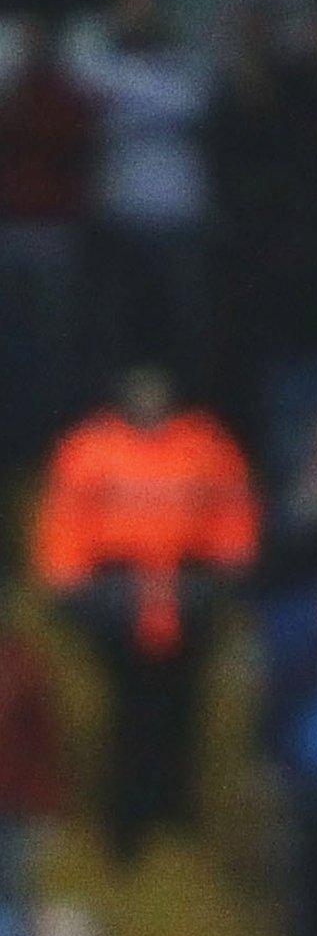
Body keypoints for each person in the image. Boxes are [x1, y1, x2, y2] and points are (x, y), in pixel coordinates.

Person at [29, 363, 260, 860]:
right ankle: (123, 825)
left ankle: (184, 819)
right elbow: (62, 551)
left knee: (185, 708)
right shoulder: (88, 448)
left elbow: (234, 536)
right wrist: (96, 597)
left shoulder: (205, 443)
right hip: (110, 598)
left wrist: (198, 588)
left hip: (188, 593)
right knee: (120, 708)